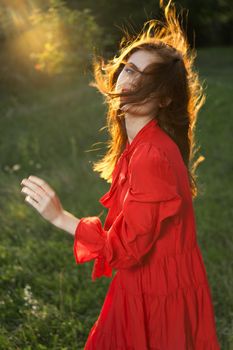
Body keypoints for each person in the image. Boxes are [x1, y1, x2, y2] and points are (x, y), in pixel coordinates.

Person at [20, 1, 221, 349]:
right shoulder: (141, 144)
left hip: (158, 296)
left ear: (165, 99)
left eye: (146, 78)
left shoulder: (151, 155)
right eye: (129, 68)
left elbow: (127, 250)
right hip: (149, 285)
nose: (130, 81)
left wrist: (61, 217)